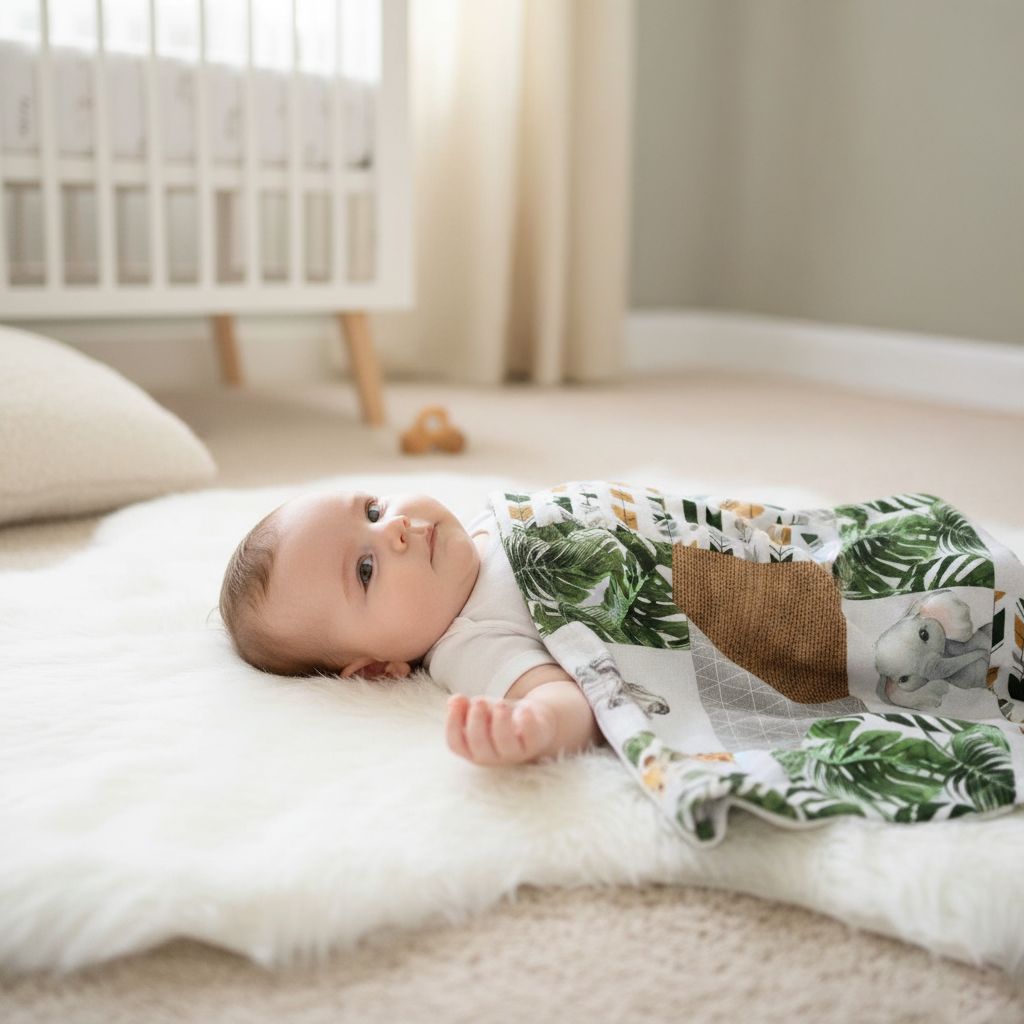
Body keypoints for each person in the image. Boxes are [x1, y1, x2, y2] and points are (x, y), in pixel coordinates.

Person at [219, 490, 601, 768]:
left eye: (372, 511)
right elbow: (571, 698)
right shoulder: (471, 642)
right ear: (376, 668)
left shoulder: (485, 522)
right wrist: (541, 724)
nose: (395, 526)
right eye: (365, 570)